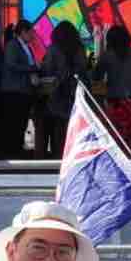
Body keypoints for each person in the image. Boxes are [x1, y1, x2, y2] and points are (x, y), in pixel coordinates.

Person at [36, 20, 87, 159]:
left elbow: (47, 69)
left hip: (57, 92)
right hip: (74, 92)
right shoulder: (79, 48)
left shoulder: (54, 49)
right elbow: (83, 69)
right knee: (71, 125)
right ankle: (71, 155)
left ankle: (58, 155)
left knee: (57, 125)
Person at [0, 20, 38, 156]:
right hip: (14, 90)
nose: (33, 36)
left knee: (21, 123)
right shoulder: (13, 45)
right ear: (23, 32)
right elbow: (11, 65)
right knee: (14, 123)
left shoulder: (26, 47)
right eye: (31, 32)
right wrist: (33, 68)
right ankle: (12, 151)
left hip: (24, 90)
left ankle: (17, 148)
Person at [94, 25, 131, 101]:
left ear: (109, 40)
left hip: (114, 97)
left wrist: (99, 99)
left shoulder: (106, 56)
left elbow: (98, 77)